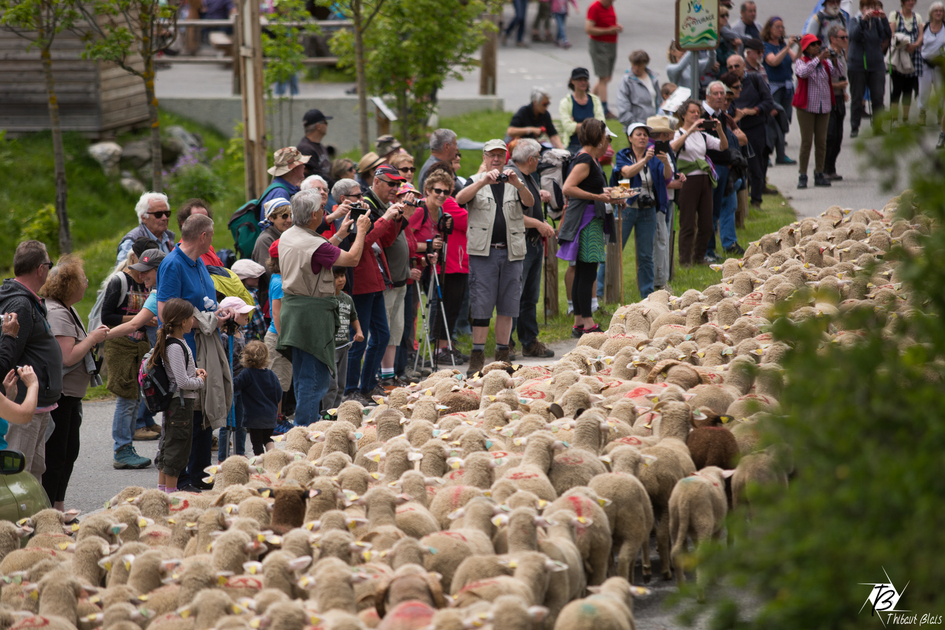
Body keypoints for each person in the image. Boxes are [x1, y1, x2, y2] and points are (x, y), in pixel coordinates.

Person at [278, 189, 372, 425]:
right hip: (312, 317)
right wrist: (361, 231)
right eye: (322, 208)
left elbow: (316, 254)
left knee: (302, 377)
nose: (325, 211)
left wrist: (339, 234)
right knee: (314, 381)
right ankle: (306, 431)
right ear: (312, 215)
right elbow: (351, 259)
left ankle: (303, 427)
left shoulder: (290, 234)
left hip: (295, 313)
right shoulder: (312, 243)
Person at [156, 213, 231, 493]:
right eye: (211, 236)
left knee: (203, 413)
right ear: (203, 237)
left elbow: (202, 303)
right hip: (184, 348)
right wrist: (209, 321)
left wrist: (218, 313)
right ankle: (183, 479)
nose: (212, 242)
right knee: (187, 414)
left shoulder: (199, 262)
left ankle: (199, 474)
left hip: (203, 343)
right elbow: (166, 313)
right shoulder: (173, 265)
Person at [454, 139, 534, 375]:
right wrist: (481, 182)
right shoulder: (474, 180)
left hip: (512, 252)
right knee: (481, 306)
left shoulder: (514, 179)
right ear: (484, 157)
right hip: (483, 253)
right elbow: (459, 200)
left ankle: (502, 356)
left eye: (500, 155)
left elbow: (529, 203)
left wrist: (518, 184)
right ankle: (477, 358)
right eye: (492, 155)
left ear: (506, 156)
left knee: (508, 306)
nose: (496, 159)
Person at [40, 256, 109, 510]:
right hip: (63, 394)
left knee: (69, 452)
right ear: (68, 285)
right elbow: (68, 356)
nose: (86, 282)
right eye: (82, 279)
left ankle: (58, 506)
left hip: (71, 394)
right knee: (58, 455)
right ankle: (49, 511)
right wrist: (92, 338)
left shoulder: (66, 308)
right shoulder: (58, 313)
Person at [333, 177, 399, 405]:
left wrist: (399, 218)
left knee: (382, 336)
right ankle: (351, 390)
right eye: (357, 196)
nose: (362, 198)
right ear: (343, 199)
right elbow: (360, 244)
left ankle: (368, 384)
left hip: (374, 282)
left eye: (361, 195)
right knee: (358, 339)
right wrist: (384, 218)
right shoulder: (341, 219)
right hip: (359, 286)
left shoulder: (358, 214)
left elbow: (384, 240)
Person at [0, 241, 62, 481]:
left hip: (37, 403)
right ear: (40, 269)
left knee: (34, 472)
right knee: (20, 475)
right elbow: (9, 352)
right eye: (49, 264)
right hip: (24, 403)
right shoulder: (21, 304)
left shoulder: (26, 300)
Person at [556, 119, 618, 337]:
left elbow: (591, 186)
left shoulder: (591, 159)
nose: (606, 138)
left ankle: (579, 323)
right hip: (587, 222)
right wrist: (598, 196)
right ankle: (589, 325)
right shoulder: (585, 159)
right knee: (587, 272)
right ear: (596, 136)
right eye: (604, 134)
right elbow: (568, 188)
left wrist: (611, 194)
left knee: (583, 271)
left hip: (591, 219)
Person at [364, 165, 419, 390]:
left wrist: (400, 217)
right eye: (391, 184)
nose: (395, 189)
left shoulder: (386, 205)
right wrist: (394, 217)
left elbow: (391, 241)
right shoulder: (369, 205)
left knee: (394, 332)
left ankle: (387, 376)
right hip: (378, 280)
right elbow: (377, 241)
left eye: (397, 185)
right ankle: (371, 379)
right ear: (377, 182)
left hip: (397, 279)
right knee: (378, 334)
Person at [102, 243, 156, 469]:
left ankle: (127, 446)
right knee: (126, 399)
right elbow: (107, 316)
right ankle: (121, 449)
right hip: (120, 345)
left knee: (136, 398)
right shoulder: (119, 281)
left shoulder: (146, 284)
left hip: (139, 345)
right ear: (134, 257)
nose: (143, 273)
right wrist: (140, 318)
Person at [607, 122, 672, 298]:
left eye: (645, 134)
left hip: (648, 210)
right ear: (630, 138)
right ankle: (602, 291)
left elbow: (667, 177)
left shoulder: (656, 156)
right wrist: (645, 160)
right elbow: (627, 173)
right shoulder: (624, 155)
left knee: (646, 255)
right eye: (638, 134)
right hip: (626, 208)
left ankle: (647, 294)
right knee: (614, 250)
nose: (642, 137)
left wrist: (665, 162)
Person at [151, 298, 206, 494]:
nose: (193, 321)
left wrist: (195, 371)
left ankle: (163, 490)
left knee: (169, 446)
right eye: (192, 318)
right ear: (183, 321)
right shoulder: (175, 346)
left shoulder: (177, 342)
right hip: (180, 404)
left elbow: (178, 372)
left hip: (179, 402)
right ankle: (171, 494)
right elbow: (181, 382)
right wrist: (199, 382)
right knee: (176, 449)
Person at [507, 139, 556, 359]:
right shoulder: (511, 176)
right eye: (538, 157)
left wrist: (539, 195)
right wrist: (538, 224)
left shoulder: (527, 175)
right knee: (514, 296)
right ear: (530, 159)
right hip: (521, 243)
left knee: (529, 297)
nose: (540, 161)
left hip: (533, 244)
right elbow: (511, 215)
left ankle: (528, 341)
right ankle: (505, 344)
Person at [671, 99, 728, 266]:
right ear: (683, 115)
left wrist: (719, 130)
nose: (696, 114)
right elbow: (673, 147)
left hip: (704, 179)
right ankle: (684, 260)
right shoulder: (678, 133)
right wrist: (688, 131)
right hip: (688, 179)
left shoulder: (702, 135)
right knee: (688, 222)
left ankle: (698, 257)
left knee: (707, 223)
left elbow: (723, 146)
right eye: (692, 112)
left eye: (698, 112)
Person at [421, 169, 470, 363]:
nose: (442, 195)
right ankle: (440, 348)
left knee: (453, 307)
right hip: (447, 264)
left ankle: (446, 345)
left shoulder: (446, 202)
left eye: (446, 191)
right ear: (429, 189)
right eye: (438, 190)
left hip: (455, 262)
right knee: (446, 305)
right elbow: (466, 221)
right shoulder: (447, 203)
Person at [702, 80, 747, 260]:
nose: (720, 97)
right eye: (716, 93)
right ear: (707, 96)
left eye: (723, 94)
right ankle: (706, 251)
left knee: (719, 209)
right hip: (712, 168)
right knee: (710, 210)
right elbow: (708, 146)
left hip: (724, 167)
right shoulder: (704, 115)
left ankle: (714, 249)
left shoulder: (721, 114)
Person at [794, 34, 842, 188]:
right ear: (806, 47)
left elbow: (838, 73)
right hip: (806, 107)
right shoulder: (801, 62)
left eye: (818, 44)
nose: (817, 47)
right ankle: (803, 175)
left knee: (821, 142)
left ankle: (819, 173)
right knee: (807, 142)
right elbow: (803, 73)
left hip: (824, 107)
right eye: (813, 45)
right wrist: (818, 59)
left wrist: (834, 59)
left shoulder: (825, 63)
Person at [727, 54, 775, 208]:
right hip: (734, 130)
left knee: (756, 166)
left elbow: (768, 102)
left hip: (755, 129)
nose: (734, 69)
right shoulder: (725, 84)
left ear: (743, 66)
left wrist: (752, 110)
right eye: (730, 67)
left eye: (736, 66)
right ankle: (739, 204)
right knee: (735, 166)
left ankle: (756, 201)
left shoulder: (755, 79)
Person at [645, 115, 684, 290]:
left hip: (667, 198)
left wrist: (677, 176)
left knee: (665, 239)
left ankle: (662, 278)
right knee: (660, 240)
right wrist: (671, 182)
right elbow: (658, 175)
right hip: (660, 198)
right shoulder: (652, 150)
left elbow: (669, 171)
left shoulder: (665, 149)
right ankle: (659, 281)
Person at [217, 296, 255, 460]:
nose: (247, 315)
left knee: (241, 422)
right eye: (243, 312)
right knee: (227, 424)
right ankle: (223, 457)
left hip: (242, 384)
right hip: (230, 383)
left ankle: (240, 454)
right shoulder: (225, 337)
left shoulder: (241, 332)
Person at [261, 242, 294, 434]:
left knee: (282, 380)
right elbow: (277, 312)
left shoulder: (278, 277)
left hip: (281, 336)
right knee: (277, 381)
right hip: (278, 337)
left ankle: (279, 417)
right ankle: (274, 421)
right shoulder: (280, 281)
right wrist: (284, 339)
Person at [848, 0, 892, 136]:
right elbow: (854, 36)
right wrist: (863, 21)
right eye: (867, 7)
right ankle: (854, 127)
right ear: (861, 8)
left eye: (872, 7)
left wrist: (884, 20)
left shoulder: (877, 22)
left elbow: (887, 35)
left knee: (878, 97)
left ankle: (878, 127)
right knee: (857, 97)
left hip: (876, 64)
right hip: (858, 65)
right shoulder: (855, 20)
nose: (870, 10)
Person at [233, 340, 282, 456]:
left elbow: (234, 386)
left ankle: (260, 464)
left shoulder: (247, 374)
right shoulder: (271, 374)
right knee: (268, 439)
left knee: (257, 442)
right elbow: (279, 393)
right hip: (270, 416)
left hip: (254, 418)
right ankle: (273, 457)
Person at [762, 19, 800, 165]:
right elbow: (773, 62)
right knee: (772, 121)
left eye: (782, 27)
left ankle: (781, 155)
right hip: (774, 88)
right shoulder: (766, 46)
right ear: (769, 29)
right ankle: (767, 155)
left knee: (784, 121)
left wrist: (800, 46)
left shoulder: (783, 44)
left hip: (787, 87)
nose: (780, 30)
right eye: (777, 27)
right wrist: (788, 46)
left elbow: (796, 59)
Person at [325, 267, 363, 409]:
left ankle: (335, 411)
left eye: (342, 275)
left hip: (344, 346)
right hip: (331, 348)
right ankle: (327, 413)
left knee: (341, 384)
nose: (341, 279)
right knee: (331, 384)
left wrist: (358, 331)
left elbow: (354, 317)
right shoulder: (326, 299)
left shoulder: (347, 299)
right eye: (336, 277)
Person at [888, 0, 924, 124]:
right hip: (899, 56)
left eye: (912, 1)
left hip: (913, 56)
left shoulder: (917, 17)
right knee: (897, 88)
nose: (911, 3)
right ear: (902, 2)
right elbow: (892, 34)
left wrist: (915, 45)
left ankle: (905, 118)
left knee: (908, 89)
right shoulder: (895, 15)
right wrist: (904, 44)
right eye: (908, 0)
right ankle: (894, 118)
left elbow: (920, 34)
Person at [585, 0, 623, 118]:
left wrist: (616, 27)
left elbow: (608, 22)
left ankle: (588, 102)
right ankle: (604, 109)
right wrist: (608, 30)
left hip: (611, 44)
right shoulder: (595, 7)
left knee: (606, 77)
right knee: (603, 77)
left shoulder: (610, 6)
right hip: (599, 44)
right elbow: (588, 29)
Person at [117, 192, 176, 263]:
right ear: (144, 217)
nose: (165, 218)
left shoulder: (168, 237)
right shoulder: (132, 241)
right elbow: (123, 270)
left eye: (167, 213)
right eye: (158, 214)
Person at [824, 25, 851, 179]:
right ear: (833, 39)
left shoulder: (841, 55)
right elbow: (821, 79)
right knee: (830, 135)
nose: (845, 40)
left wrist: (844, 91)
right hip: (829, 98)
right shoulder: (827, 55)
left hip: (839, 97)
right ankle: (824, 169)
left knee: (839, 136)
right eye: (842, 38)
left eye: (846, 37)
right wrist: (836, 86)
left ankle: (831, 168)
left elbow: (842, 75)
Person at [560, 68, 606, 153]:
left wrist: (577, 126)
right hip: (573, 146)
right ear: (572, 81)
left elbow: (601, 125)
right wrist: (592, 125)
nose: (583, 82)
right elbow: (568, 127)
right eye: (579, 80)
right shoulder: (565, 102)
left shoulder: (594, 100)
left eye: (585, 79)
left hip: (593, 145)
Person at [919, 1, 945, 146]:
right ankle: (922, 112)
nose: (938, 13)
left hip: (940, 64)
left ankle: (940, 114)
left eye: (941, 11)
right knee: (924, 90)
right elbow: (919, 41)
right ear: (931, 13)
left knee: (941, 91)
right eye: (936, 11)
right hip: (925, 62)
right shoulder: (925, 26)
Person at [615, 50, 662, 128]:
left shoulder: (653, 77)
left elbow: (658, 101)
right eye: (634, 65)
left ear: (645, 64)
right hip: (636, 127)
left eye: (639, 65)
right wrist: (635, 125)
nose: (636, 68)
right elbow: (622, 106)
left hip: (654, 125)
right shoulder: (626, 80)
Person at [258, 147, 309, 218]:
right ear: (295, 168)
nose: (304, 166)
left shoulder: (285, 189)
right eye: (302, 164)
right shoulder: (280, 193)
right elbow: (281, 226)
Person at [231, 259, 267, 341]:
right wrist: (264, 338)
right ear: (244, 278)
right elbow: (259, 322)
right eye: (254, 276)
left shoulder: (231, 293)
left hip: (236, 339)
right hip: (250, 340)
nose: (258, 277)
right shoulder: (250, 296)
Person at [297, 109, 333, 184]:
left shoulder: (320, 146)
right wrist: (336, 184)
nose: (327, 125)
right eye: (325, 122)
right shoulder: (305, 149)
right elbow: (316, 175)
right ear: (318, 126)